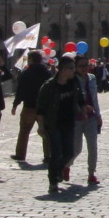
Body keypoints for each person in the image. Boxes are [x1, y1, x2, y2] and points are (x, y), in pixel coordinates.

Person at [35, 54, 86, 195]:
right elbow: (40, 108)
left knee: (69, 152)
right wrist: (40, 126)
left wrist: (83, 111)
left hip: (69, 122)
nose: (73, 71)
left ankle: (57, 172)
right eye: (71, 68)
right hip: (54, 123)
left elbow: (80, 98)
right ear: (63, 70)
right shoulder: (49, 86)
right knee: (56, 153)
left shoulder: (74, 82)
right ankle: (53, 182)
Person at [11, 51, 49, 165]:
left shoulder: (26, 72)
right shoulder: (46, 72)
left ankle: (20, 154)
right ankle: (48, 155)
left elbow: (20, 90)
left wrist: (15, 104)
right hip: (44, 107)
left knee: (24, 131)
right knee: (46, 132)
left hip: (29, 106)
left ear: (31, 59)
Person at [75, 58, 103, 188]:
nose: (84, 68)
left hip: (91, 117)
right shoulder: (72, 80)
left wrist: (98, 115)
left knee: (93, 146)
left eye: (86, 65)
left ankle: (91, 174)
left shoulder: (92, 78)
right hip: (76, 117)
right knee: (76, 149)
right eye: (81, 66)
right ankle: (66, 166)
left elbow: (95, 98)